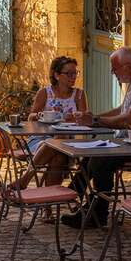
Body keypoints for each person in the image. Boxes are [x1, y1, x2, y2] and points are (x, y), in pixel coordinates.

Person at [61, 47, 131, 229]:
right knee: (91, 154)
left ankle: (96, 213)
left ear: (128, 67)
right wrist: (93, 117)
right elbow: (122, 110)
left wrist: (97, 121)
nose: (113, 73)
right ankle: (73, 197)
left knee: (100, 162)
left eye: (115, 69)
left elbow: (130, 120)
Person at [18, 56, 87, 191]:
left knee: (60, 152)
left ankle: (26, 180)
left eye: (75, 73)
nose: (73, 77)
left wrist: (75, 118)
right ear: (56, 75)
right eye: (69, 73)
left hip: (67, 141)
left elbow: (85, 120)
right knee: (58, 153)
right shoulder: (45, 93)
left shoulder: (79, 94)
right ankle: (49, 205)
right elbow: (31, 117)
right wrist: (39, 115)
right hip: (39, 139)